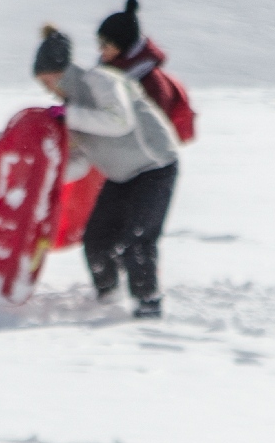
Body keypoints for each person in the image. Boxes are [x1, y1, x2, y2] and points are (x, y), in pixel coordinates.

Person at [32, 25, 178, 319]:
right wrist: (46, 176)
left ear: (60, 73)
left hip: (155, 168)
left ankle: (147, 306)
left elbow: (119, 122)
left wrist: (69, 116)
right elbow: (81, 160)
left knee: (137, 240)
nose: (47, 89)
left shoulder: (101, 80)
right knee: (97, 240)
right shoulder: (73, 108)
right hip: (121, 177)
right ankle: (109, 297)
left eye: (47, 81)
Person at [98, 0, 196, 143]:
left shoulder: (153, 83)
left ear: (122, 45)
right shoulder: (108, 72)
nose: (100, 49)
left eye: (105, 44)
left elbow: (154, 133)